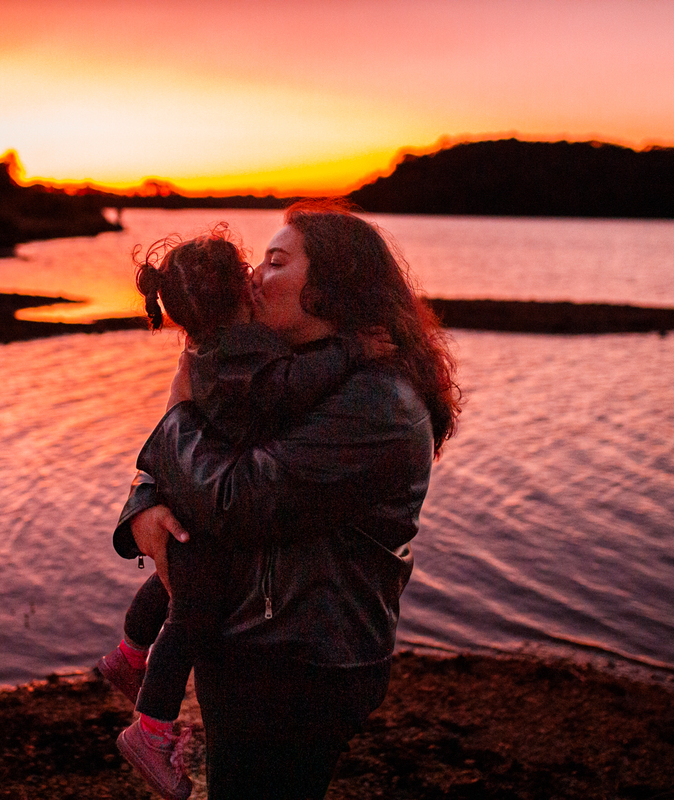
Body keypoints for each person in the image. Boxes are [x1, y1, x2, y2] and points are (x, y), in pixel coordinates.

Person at [112, 199, 461, 799]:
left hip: (302, 664)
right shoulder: (281, 370)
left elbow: (242, 497)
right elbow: (210, 456)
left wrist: (175, 413)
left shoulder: (380, 402)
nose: (254, 275)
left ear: (334, 286)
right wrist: (143, 506)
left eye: (275, 262)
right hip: (249, 641)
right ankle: (133, 660)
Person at [98, 224, 361, 800]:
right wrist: (351, 349)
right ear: (239, 290)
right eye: (257, 264)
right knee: (192, 608)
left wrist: (154, 492)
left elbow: (178, 442)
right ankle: (150, 725)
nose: (260, 277)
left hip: (212, 518)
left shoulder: (207, 353)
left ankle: (129, 653)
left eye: (276, 262)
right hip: (220, 527)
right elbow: (288, 388)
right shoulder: (249, 355)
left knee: (183, 584)